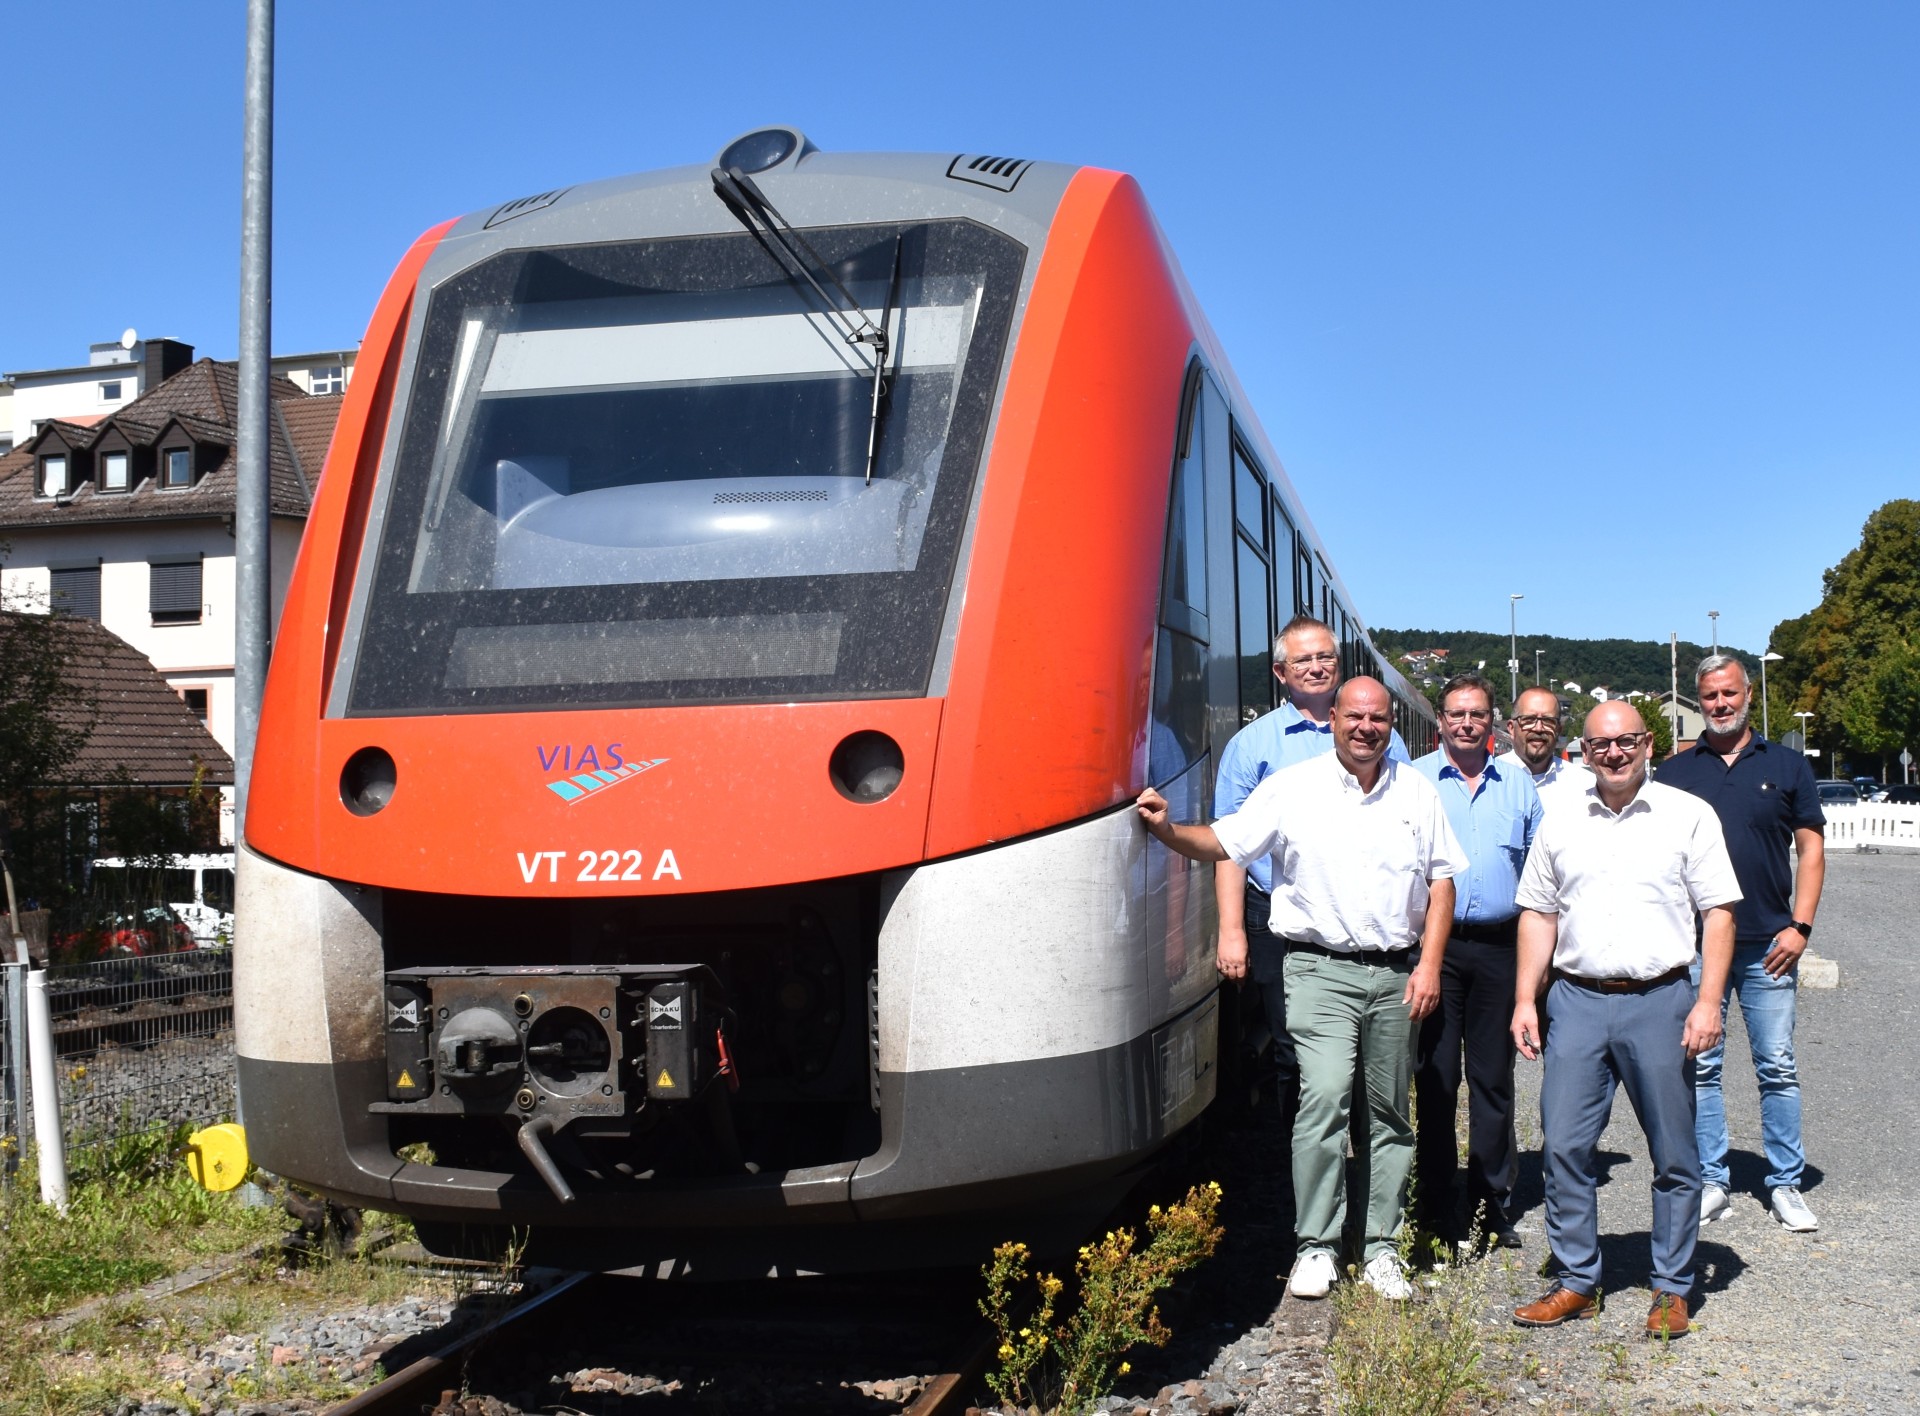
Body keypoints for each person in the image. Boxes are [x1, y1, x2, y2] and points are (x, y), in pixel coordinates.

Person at [1138, 678, 1465, 1302]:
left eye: (1378, 717)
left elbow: (1441, 885)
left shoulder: (1417, 792)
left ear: (1391, 723)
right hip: (1317, 971)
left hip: (1396, 972)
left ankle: (1380, 1248)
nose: (1366, 727)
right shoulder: (1291, 788)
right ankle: (1316, 1243)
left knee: (1392, 1114)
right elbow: (1224, 843)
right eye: (1355, 716)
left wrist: (1428, 966)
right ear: (1333, 720)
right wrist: (1167, 831)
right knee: (1323, 1100)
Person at [1509, 701, 1740, 1340]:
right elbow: (1538, 914)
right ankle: (1578, 1280)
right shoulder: (1560, 821)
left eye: (1626, 741)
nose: (1614, 753)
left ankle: (1672, 1287)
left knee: (1673, 1150)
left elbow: (1719, 913)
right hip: (1576, 1001)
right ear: (1583, 751)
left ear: (1647, 745)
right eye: (1600, 744)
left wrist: (1707, 1002)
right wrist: (1527, 998)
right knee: (1563, 1145)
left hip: (1661, 1001)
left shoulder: (1688, 816)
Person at [1213, 616, 1410, 1154]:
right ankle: (1305, 1180)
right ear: (1281, 672)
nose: (1318, 667)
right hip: (1281, 920)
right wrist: (1232, 932)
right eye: (1303, 660)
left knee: (1372, 1057)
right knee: (1293, 1053)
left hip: (1369, 926)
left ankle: (1370, 1179)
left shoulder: (1375, 732)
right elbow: (1230, 847)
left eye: (1326, 657)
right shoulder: (1252, 747)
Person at [1653, 653, 1826, 1233]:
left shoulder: (1787, 765)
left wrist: (1800, 927)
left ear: (1747, 693)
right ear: (1698, 702)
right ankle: (1710, 1180)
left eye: (1729, 693)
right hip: (1698, 946)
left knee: (1776, 1065)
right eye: (1709, 697)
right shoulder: (1676, 772)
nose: (1720, 704)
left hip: (1769, 944)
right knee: (1701, 1066)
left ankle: (1785, 1183)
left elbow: (1811, 849)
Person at [1411, 673, 1543, 1251]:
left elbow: (1542, 875)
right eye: (1457, 713)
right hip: (1434, 950)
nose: (1468, 723)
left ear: (1494, 723)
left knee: (1492, 1080)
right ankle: (1437, 1203)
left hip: (1498, 948)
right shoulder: (1412, 780)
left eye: (1479, 714)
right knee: (1436, 1079)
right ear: (1441, 720)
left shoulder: (1518, 787)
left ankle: (1492, 1203)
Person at [1500, 686, 1592, 807]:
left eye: (1548, 721)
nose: (1538, 728)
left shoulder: (1585, 785)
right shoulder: (1487, 780)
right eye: (1529, 719)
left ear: (1558, 730)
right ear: (1511, 728)